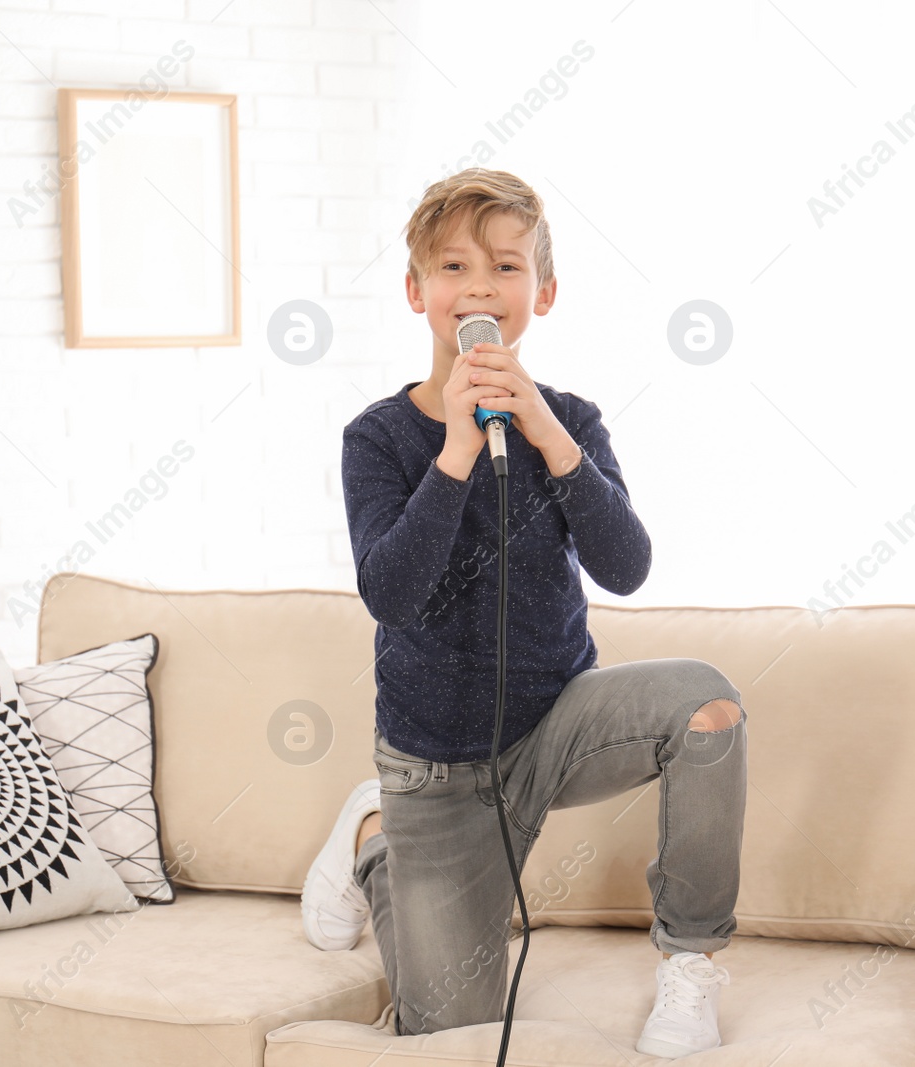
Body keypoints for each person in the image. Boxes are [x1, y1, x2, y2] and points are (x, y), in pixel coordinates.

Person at [302, 167, 748, 1058]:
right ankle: (374, 840)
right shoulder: (378, 440)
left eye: (506, 267)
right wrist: (458, 451)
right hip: (438, 769)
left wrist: (546, 431)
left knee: (709, 703)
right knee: (447, 1034)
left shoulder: (570, 420)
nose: (479, 288)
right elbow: (391, 593)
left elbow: (627, 565)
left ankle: (691, 960)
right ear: (415, 290)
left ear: (542, 292)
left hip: (556, 725)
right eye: (454, 267)